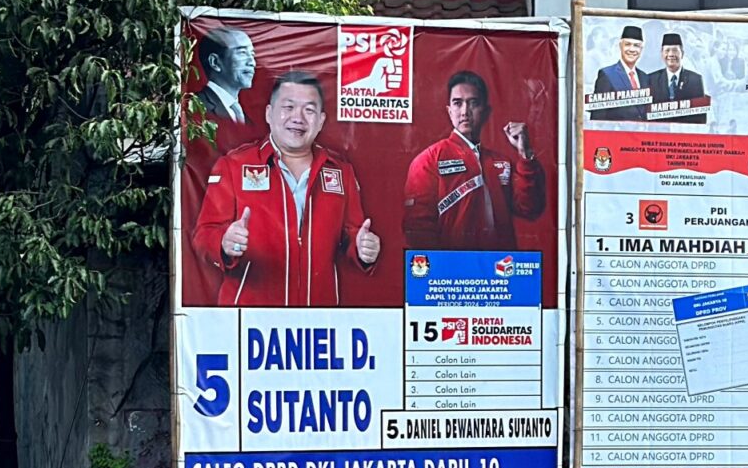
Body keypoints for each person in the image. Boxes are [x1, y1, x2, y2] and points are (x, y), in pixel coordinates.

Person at [192, 71, 380, 306]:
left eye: (309, 110)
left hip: (318, 317)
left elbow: (351, 234)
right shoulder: (234, 166)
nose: (298, 117)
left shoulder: (341, 171)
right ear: (269, 114)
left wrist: (362, 247)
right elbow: (203, 234)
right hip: (249, 321)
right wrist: (223, 242)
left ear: (321, 121)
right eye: (288, 107)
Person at [402, 70, 546, 251]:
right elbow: (418, 230)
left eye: (473, 103)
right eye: (457, 103)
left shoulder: (501, 162)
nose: (464, 112)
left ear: (485, 111)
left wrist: (525, 154)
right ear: (449, 111)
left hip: (500, 270)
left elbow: (530, 208)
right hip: (451, 273)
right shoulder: (429, 160)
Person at [590, 25, 651, 121]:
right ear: (620, 46)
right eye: (627, 44)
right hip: (617, 134)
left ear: (641, 50)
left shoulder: (645, 77)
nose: (632, 49)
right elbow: (598, 117)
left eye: (636, 46)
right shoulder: (607, 74)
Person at [195, 27, 256, 122]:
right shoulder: (196, 107)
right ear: (215, 62)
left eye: (252, 54)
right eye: (242, 53)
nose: (252, 63)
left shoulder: (246, 119)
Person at [646, 32, 705, 123]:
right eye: (667, 50)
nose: (671, 54)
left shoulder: (695, 80)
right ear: (662, 54)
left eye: (675, 50)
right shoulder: (651, 79)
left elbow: (700, 117)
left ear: (682, 53)